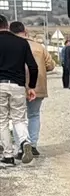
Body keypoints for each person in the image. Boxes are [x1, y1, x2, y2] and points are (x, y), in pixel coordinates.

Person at [9, 22, 55, 157]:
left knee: (18, 118)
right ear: (25, 31)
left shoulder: (12, 45)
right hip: (38, 86)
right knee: (34, 115)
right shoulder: (39, 47)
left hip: (18, 85)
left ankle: (21, 146)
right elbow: (51, 65)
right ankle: (33, 145)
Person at [0, 14, 38, 165]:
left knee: (2, 121)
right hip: (17, 85)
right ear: (7, 25)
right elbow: (33, 67)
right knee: (19, 118)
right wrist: (32, 87)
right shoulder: (21, 43)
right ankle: (24, 141)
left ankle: (8, 155)